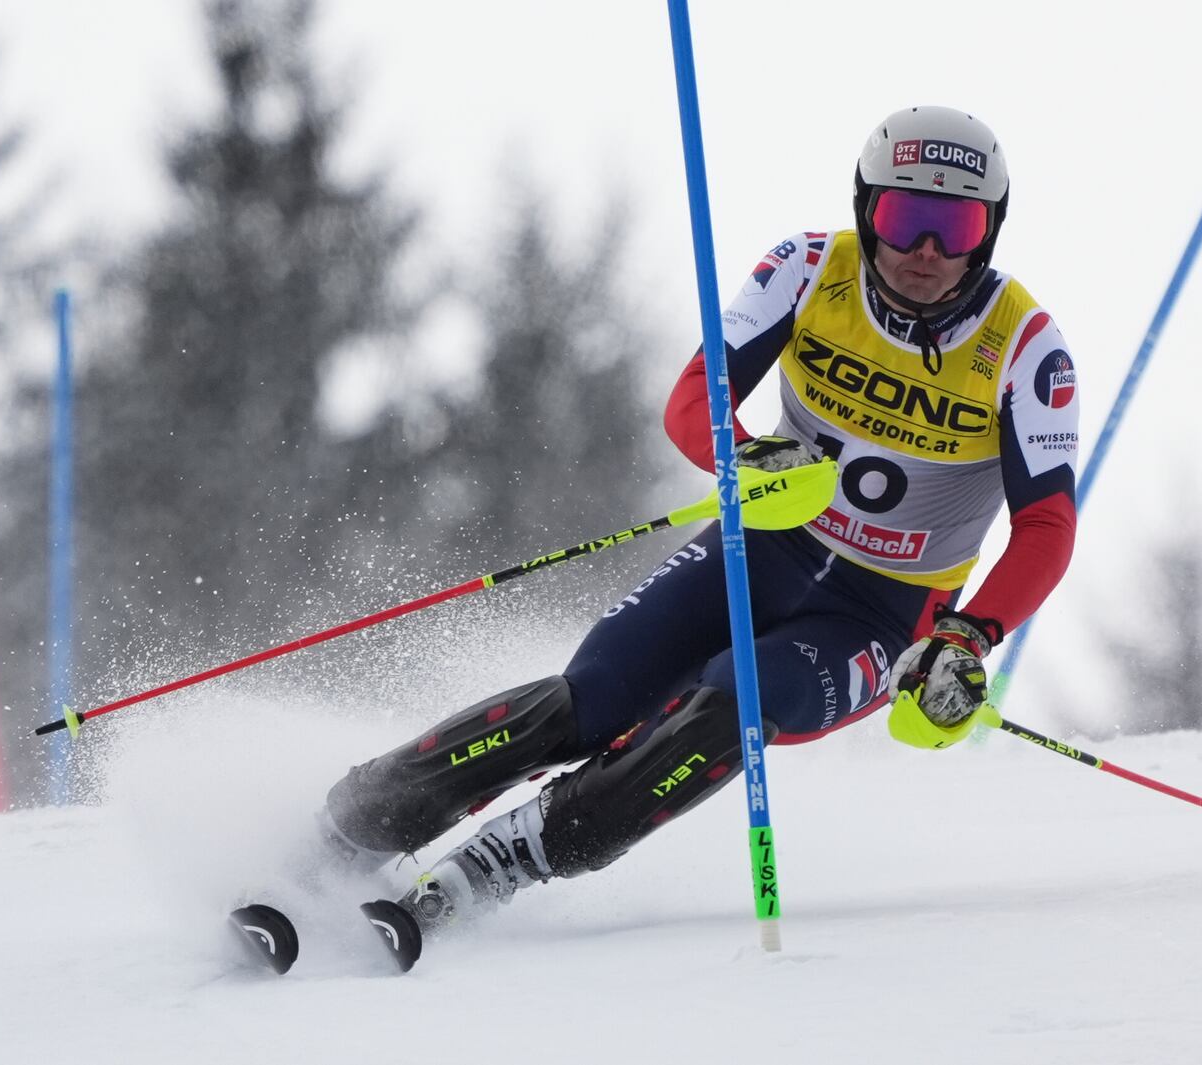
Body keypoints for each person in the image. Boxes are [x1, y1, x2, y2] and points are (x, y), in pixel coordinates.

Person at [318, 105, 1081, 931]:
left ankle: (505, 860)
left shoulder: (1026, 348)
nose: (926, 252)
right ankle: (352, 824)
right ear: (868, 209)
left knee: (733, 705)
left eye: (955, 226)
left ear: (990, 231)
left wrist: (969, 634)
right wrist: (743, 454)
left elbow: (1047, 526)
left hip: (880, 613)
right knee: (591, 700)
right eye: (905, 219)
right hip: (761, 546)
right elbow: (693, 399)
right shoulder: (810, 268)